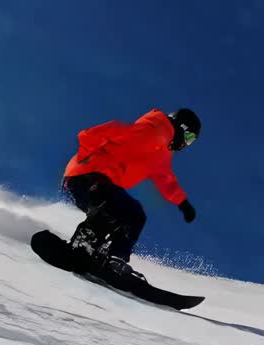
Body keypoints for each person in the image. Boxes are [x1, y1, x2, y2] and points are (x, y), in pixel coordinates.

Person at [61, 108, 201, 277]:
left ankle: (112, 258)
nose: (186, 144)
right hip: (86, 174)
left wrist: (183, 203)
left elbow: (166, 179)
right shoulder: (153, 129)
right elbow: (110, 130)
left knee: (134, 215)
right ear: (182, 127)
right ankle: (83, 245)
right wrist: (85, 153)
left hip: (102, 183)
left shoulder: (162, 153)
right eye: (189, 138)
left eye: (191, 142)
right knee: (112, 209)